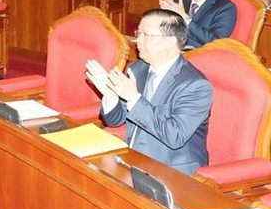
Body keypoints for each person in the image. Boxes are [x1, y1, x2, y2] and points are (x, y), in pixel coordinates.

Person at [89, 11, 213, 177]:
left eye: (146, 35)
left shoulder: (195, 85)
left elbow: (175, 136)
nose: (138, 40)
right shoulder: (138, 69)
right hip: (135, 161)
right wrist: (110, 96)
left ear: (170, 42)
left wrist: (133, 98)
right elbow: (116, 120)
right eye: (138, 33)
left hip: (174, 172)